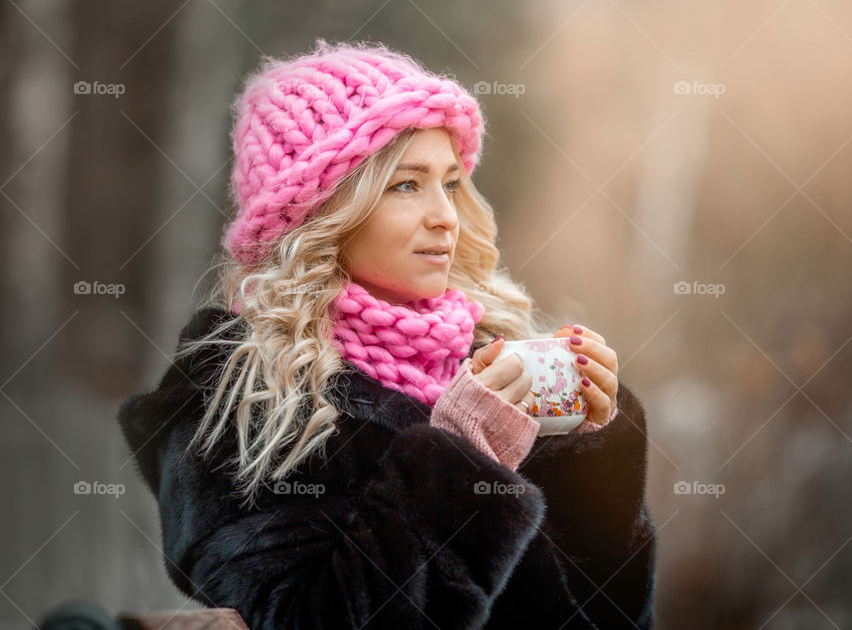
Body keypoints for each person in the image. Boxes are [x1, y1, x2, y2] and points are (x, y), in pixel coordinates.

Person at [116, 39, 657, 630]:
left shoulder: (490, 356)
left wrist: (592, 458)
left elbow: (612, 617)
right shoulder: (240, 394)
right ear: (322, 210)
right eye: (406, 185)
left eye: (450, 183)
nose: (445, 216)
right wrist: (462, 457)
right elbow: (308, 619)